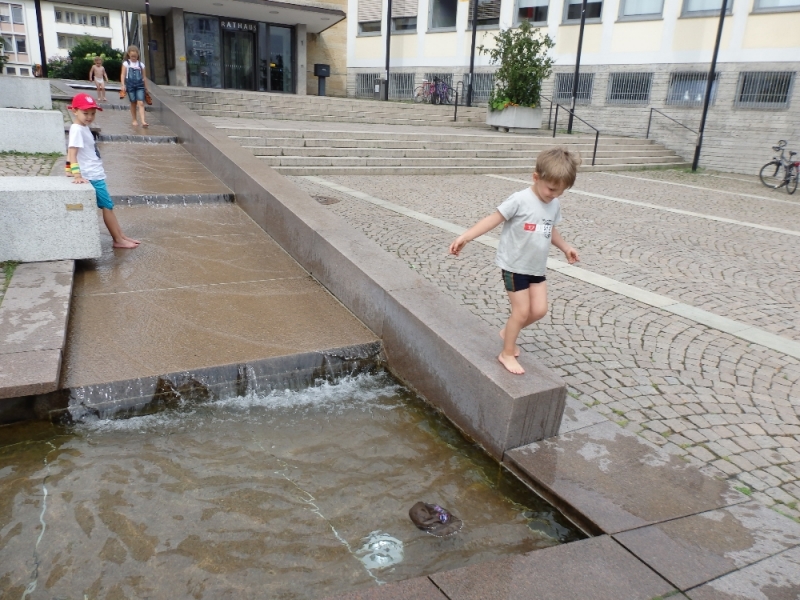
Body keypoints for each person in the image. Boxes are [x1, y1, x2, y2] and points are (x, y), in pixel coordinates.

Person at [448, 148, 581, 375]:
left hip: (536, 267)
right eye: (551, 189)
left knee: (539, 310)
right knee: (520, 312)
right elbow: (493, 219)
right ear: (536, 177)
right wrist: (466, 236)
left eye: (560, 192)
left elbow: (550, 229)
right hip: (514, 266)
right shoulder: (520, 200)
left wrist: (566, 247)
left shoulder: (554, 204)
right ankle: (506, 353)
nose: (554, 195)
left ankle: (508, 331)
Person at [67, 93, 140, 249]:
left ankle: (121, 235)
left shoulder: (83, 127)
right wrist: (76, 175)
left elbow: (78, 152)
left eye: (92, 113)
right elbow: (72, 153)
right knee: (107, 206)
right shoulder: (76, 129)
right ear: (75, 111)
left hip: (95, 172)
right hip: (91, 175)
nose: (89, 117)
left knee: (109, 206)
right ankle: (117, 240)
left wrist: (68, 170)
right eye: (85, 113)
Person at [120, 45, 149, 128]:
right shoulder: (126, 64)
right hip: (130, 85)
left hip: (140, 85)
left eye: (135, 56)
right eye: (132, 56)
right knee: (133, 102)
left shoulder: (141, 65)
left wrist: (146, 88)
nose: (133, 58)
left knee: (141, 102)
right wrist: (123, 85)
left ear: (138, 55)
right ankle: (134, 119)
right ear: (128, 54)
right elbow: (123, 74)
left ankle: (143, 121)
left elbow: (144, 77)